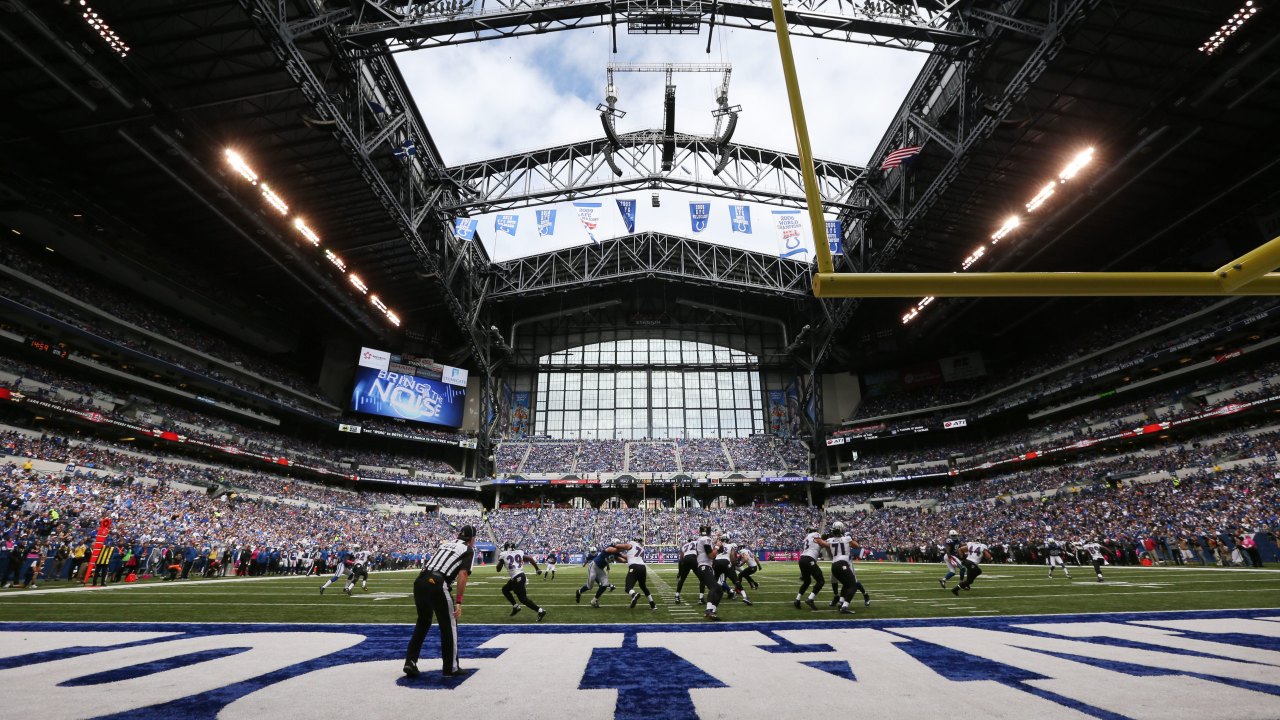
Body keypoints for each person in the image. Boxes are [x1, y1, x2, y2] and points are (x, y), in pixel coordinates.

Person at [404, 525, 476, 678]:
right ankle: (451, 667)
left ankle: (410, 661)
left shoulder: (444, 544)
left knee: (423, 622)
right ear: (472, 539)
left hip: (420, 581)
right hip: (437, 582)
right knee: (449, 625)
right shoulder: (468, 550)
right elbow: (463, 574)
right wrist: (459, 601)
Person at [496, 541, 546, 621]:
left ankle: (540, 611)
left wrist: (501, 561)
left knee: (523, 599)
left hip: (517, 577)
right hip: (519, 576)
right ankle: (516, 607)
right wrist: (537, 569)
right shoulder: (519, 552)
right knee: (505, 589)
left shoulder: (504, 554)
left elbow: (498, 569)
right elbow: (530, 558)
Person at [827, 522, 868, 614]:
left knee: (846, 584)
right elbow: (856, 545)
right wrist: (849, 538)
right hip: (843, 564)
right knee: (853, 585)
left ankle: (841, 602)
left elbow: (829, 551)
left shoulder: (829, 540)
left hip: (834, 565)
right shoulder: (846, 538)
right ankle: (844, 606)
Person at [693, 524, 725, 621]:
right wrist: (717, 547)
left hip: (705, 566)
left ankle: (713, 611)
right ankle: (708, 610)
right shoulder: (706, 539)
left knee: (719, 590)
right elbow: (711, 555)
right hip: (704, 566)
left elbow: (714, 553)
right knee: (714, 587)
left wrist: (717, 546)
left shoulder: (701, 539)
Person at [576, 541, 621, 608]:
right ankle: (579, 592)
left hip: (600, 569)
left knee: (605, 584)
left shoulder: (616, 553)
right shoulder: (608, 549)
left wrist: (630, 558)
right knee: (590, 587)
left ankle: (594, 601)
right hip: (593, 567)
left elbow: (620, 559)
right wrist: (625, 548)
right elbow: (614, 551)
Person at [616, 536, 657, 610]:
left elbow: (623, 546)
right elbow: (629, 557)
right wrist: (620, 555)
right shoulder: (641, 549)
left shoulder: (632, 543)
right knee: (643, 586)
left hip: (634, 567)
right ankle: (652, 604)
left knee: (628, 587)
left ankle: (634, 595)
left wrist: (614, 545)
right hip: (643, 568)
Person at [795, 525, 829, 610]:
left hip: (802, 559)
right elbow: (822, 543)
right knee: (821, 581)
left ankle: (797, 600)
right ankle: (810, 599)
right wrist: (831, 544)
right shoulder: (815, 534)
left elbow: (818, 543)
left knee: (807, 581)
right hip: (809, 559)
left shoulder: (807, 538)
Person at [713, 533, 751, 605]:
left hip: (717, 562)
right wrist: (732, 566)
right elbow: (733, 557)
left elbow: (713, 554)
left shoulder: (717, 545)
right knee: (736, 580)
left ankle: (713, 596)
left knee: (716, 581)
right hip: (726, 562)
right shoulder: (730, 546)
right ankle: (745, 597)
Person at [673, 536, 700, 604]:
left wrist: (679, 572)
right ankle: (701, 598)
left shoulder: (684, 546)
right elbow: (699, 552)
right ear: (693, 540)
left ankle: (677, 596)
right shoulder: (696, 542)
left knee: (682, 579)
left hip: (686, 559)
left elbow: (681, 559)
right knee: (702, 578)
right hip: (694, 559)